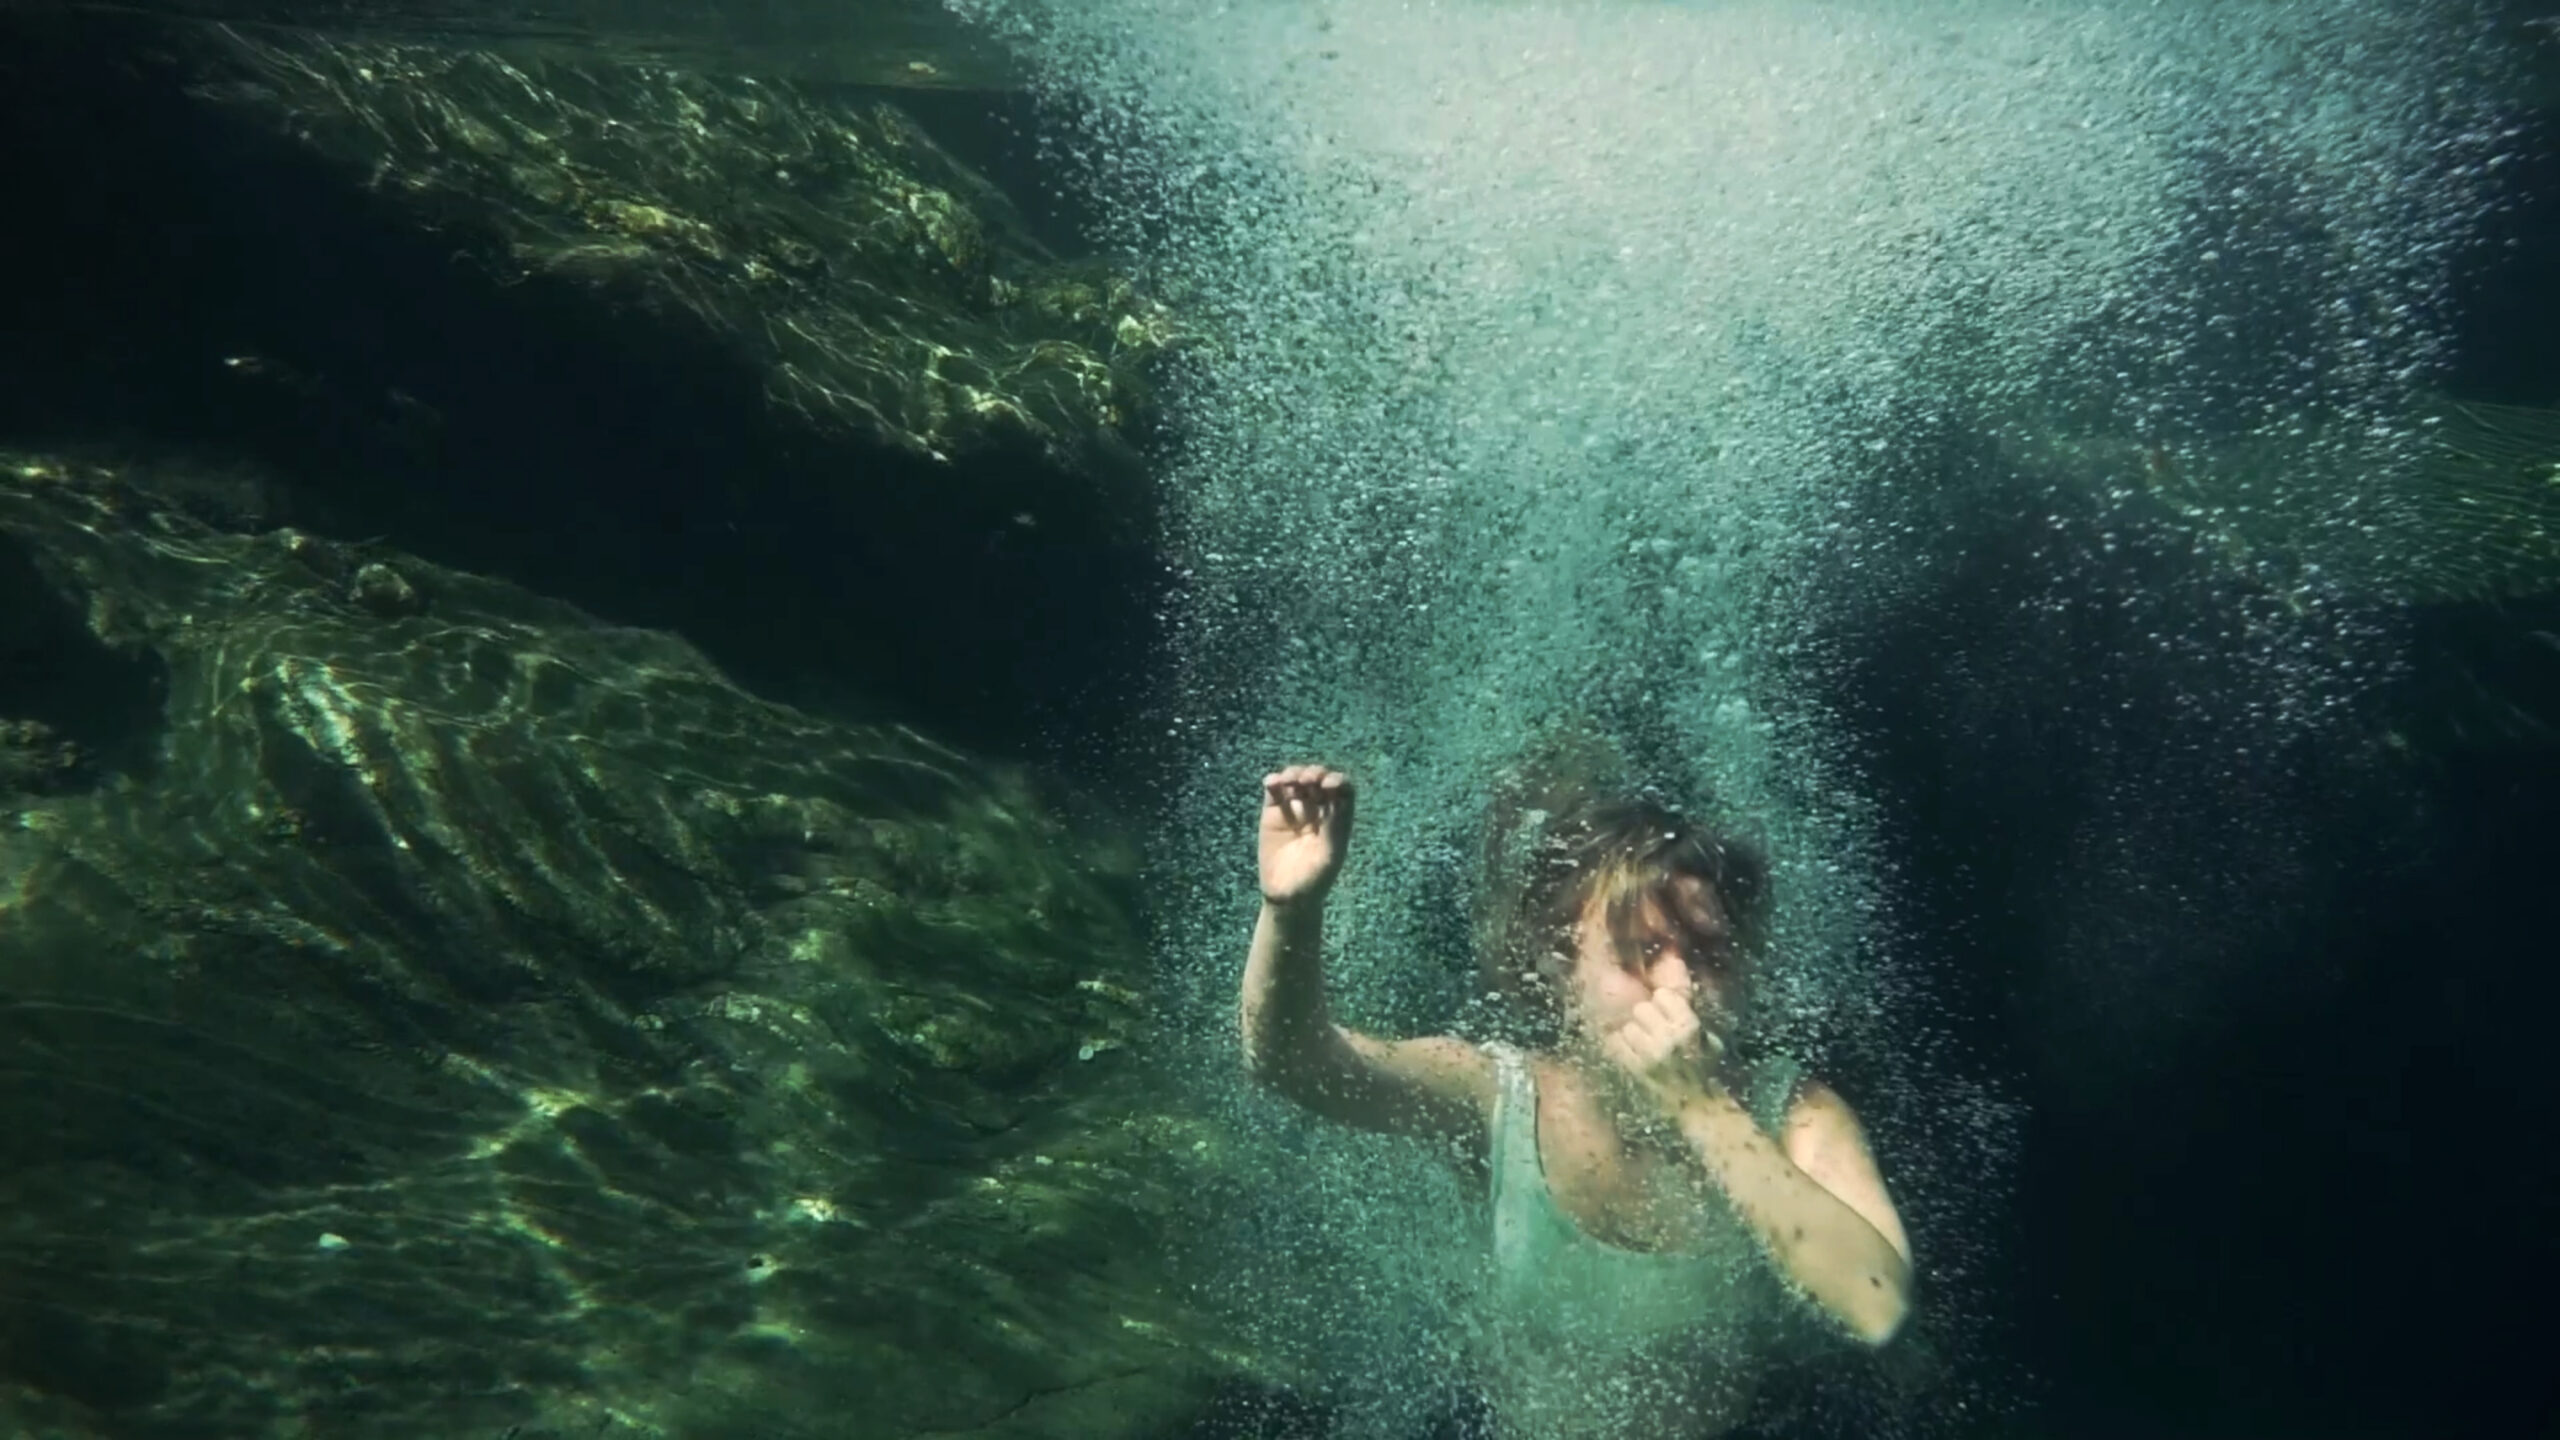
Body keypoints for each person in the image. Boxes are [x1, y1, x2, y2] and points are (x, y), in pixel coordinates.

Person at [1238, 757, 1913, 1439]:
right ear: (1563, 967)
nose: (1677, 985)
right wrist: (1291, 913)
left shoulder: (1792, 1111)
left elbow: (1877, 1307)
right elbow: (1295, 1065)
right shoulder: (1497, 1094)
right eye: (1639, 952)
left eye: (1710, 953)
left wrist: (1701, 1106)